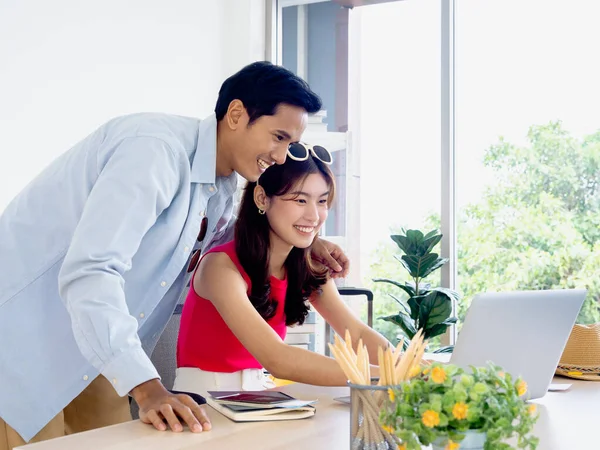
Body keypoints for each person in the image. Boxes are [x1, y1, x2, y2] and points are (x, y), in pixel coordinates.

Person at [0, 61, 350, 448]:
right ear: (236, 115)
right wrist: (148, 388)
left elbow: (220, 234)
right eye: (279, 137)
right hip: (24, 339)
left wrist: (306, 236)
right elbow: (91, 271)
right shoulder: (155, 151)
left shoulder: (218, 186)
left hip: (97, 345)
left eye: (290, 144)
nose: (283, 156)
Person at [174, 143, 390, 400]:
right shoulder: (220, 268)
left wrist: (412, 366)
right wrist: (384, 374)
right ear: (262, 198)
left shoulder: (306, 266)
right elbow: (278, 358)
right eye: (300, 200)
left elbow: (356, 333)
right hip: (202, 403)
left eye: (322, 201)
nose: (314, 215)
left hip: (259, 400)